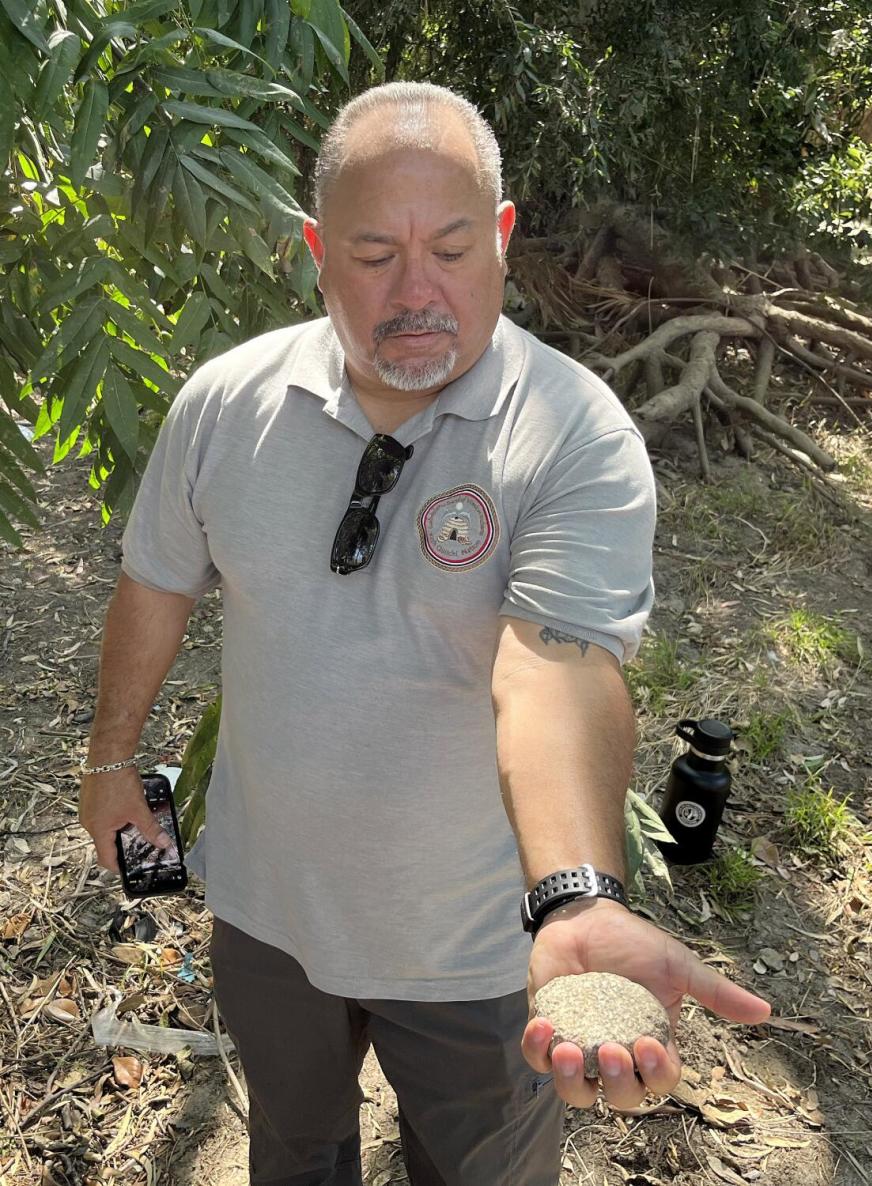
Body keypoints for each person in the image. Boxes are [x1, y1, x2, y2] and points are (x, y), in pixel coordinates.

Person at [79, 81, 770, 1186]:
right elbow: (156, 580)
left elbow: (555, 667)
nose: (417, 293)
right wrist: (114, 754)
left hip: (476, 945)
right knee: (295, 1152)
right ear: (314, 250)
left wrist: (578, 892)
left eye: (451, 249)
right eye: (373, 254)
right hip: (269, 910)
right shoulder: (225, 403)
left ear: (500, 238)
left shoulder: (571, 430)